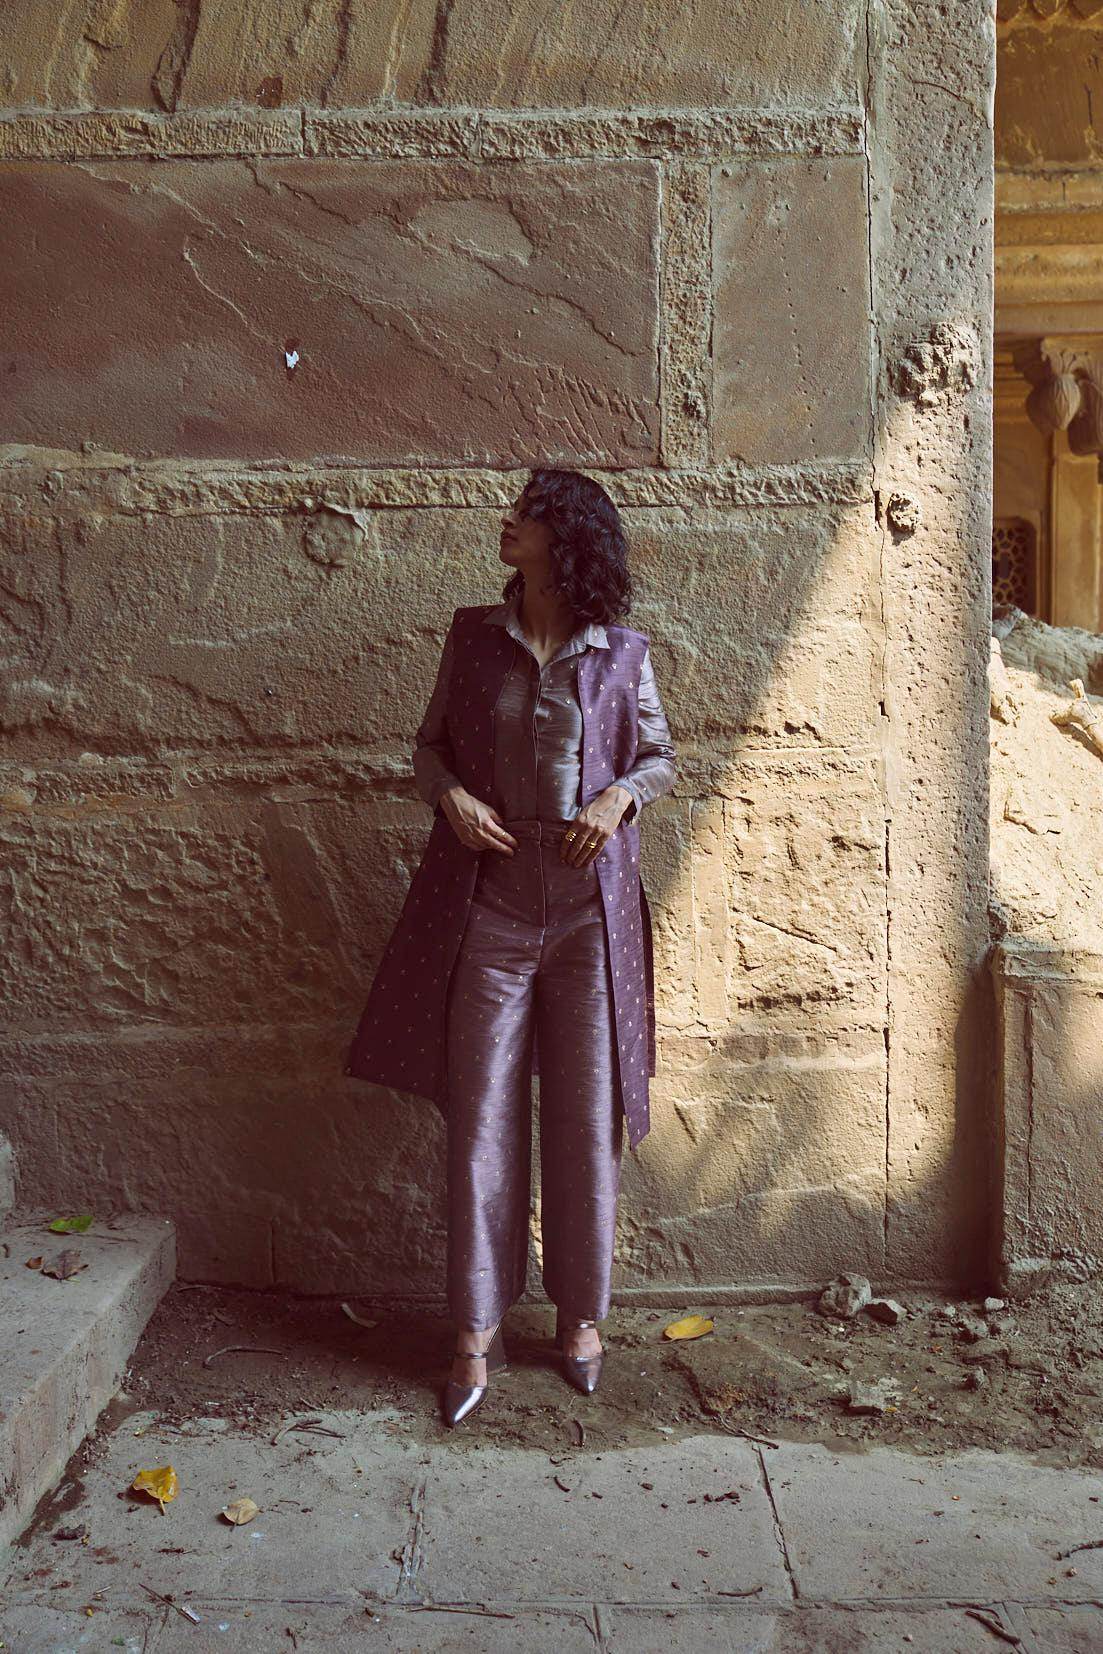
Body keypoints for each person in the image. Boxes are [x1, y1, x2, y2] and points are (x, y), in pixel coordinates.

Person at [347, 468, 677, 1426]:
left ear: (564, 542)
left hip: (586, 913)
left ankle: (580, 1320)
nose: (508, 523)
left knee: (585, 1115)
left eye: (526, 516)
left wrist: (617, 798)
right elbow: (428, 749)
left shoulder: (622, 653)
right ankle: (473, 1332)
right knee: (482, 1118)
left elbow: (659, 757)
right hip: (487, 908)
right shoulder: (471, 638)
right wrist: (447, 796)